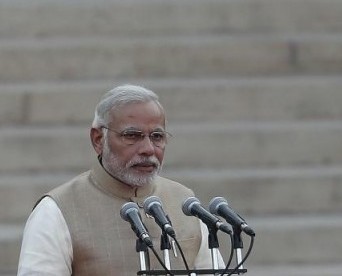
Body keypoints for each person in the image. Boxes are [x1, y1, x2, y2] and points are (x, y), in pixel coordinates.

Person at [17, 84, 222, 275]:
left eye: (157, 136)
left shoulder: (184, 203)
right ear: (99, 140)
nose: (148, 149)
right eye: (132, 135)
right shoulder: (57, 210)